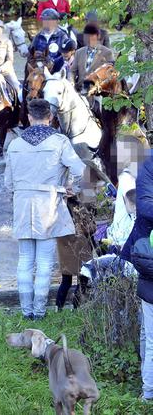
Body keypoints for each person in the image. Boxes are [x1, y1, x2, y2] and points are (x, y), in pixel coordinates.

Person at [4, 98, 85, 320]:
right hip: (49, 205)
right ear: (50, 118)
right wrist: (71, 188)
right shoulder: (59, 142)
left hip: (22, 205)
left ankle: (26, 312)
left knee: (24, 260)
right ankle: (39, 312)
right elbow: (80, 169)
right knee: (45, 262)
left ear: (29, 118)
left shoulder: (15, 144)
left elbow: (8, 184)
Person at [121, 154, 153, 403]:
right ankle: (148, 391)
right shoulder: (150, 165)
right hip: (147, 253)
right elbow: (144, 206)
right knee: (150, 332)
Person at [70, 25, 115, 91]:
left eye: (92, 36)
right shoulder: (79, 52)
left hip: (99, 90)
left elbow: (111, 75)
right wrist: (71, 82)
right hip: (80, 89)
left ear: (98, 36)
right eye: (87, 36)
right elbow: (72, 71)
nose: (89, 38)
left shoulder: (107, 53)